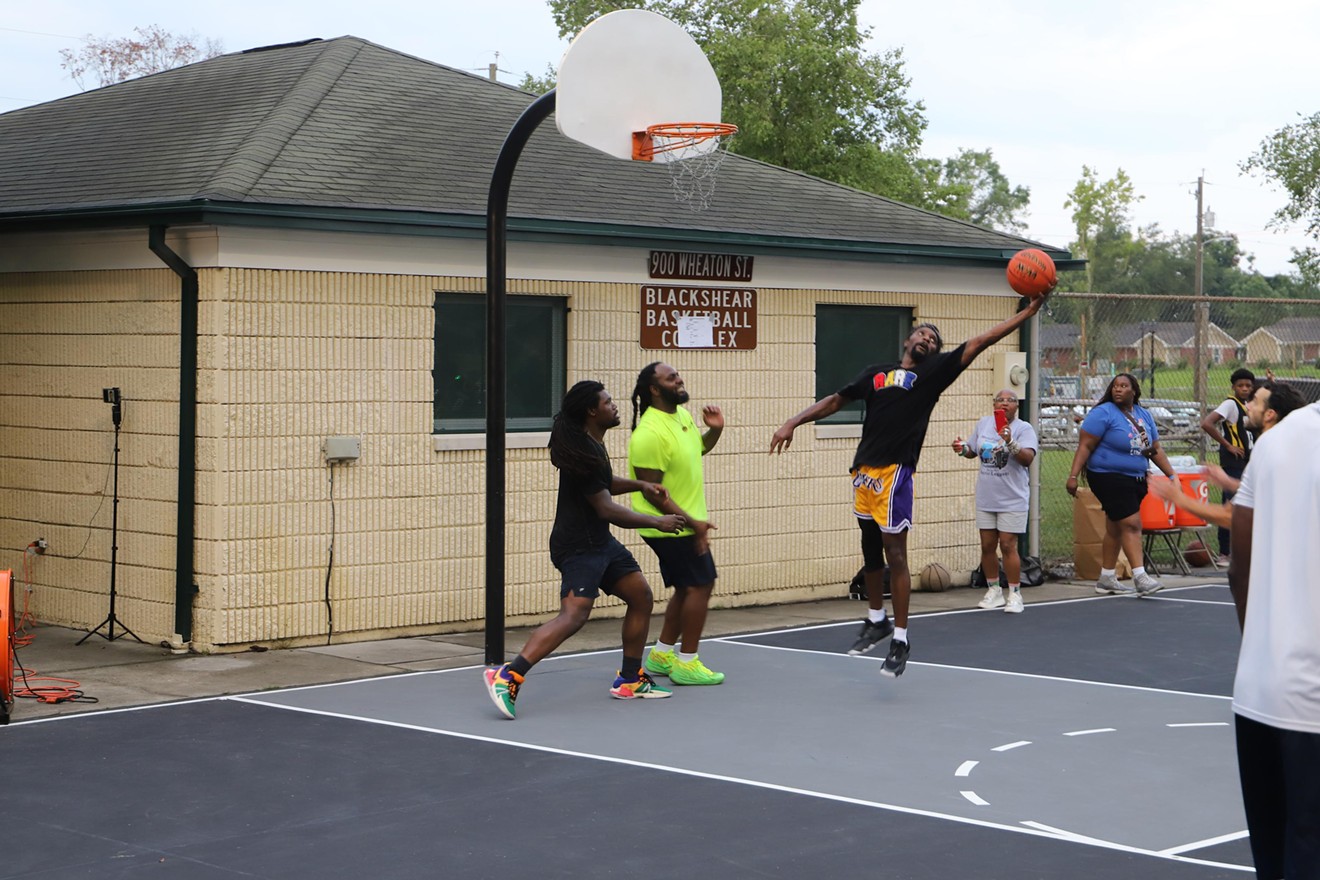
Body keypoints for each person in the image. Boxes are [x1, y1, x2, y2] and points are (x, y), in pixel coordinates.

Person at [770, 294, 1048, 678]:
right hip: (864, 471)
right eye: (921, 333)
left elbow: (979, 342)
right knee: (870, 552)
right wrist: (792, 422)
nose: (927, 340)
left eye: (933, 340)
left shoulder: (933, 373)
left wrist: (1026, 314)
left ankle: (900, 637)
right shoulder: (876, 373)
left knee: (895, 554)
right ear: (907, 340)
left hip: (896, 472)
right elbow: (836, 400)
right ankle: (876, 619)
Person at [483, 380, 687, 720]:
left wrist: (639, 483)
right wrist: (657, 521)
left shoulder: (590, 446)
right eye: (608, 402)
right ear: (593, 411)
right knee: (574, 615)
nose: (614, 405)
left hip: (599, 543)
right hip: (579, 547)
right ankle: (508, 675)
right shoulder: (587, 452)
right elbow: (607, 509)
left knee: (640, 596)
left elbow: (602, 486)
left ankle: (630, 679)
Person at [1228, 399, 1320, 879]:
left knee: (1277, 860)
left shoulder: (1275, 441)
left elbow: (1238, 565)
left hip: (1261, 692)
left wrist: (1262, 648)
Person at [629, 362, 727, 686]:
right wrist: (693, 524)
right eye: (671, 378)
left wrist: (714, 430)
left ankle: (661, 654)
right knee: (701, 584)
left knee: (689, 586)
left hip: (687, 519)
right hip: (668, 522)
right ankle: (687, 662)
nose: (680, 379)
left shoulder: (681, 417)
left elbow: (699, 449)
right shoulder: (649, 433)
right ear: (655, 390)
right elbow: (654, 494)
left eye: (678, 374)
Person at [1065, 373, 1178, 596]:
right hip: (1108, 476)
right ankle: (1140, 577)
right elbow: (1085, 446)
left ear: (1133, 391)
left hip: (1135, 477)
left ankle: (1107, 577)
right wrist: (1073, 475)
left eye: (1124, 386)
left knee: (1115, 527)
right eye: (1115, 386)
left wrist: (1172, 475)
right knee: (1132, 524)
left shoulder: (1143, 415)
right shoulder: (1103, 413)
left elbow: (1154, 450)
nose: (1118, 390)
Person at [1153, 380, 1306, 529]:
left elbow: (1230, 517)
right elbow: (1266, 492)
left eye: (1255, 402)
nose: (1248, 406)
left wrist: (1178, 498)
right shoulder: (1291, 449)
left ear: (1269, 414)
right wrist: (1229, 482)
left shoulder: (1269, 454)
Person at [952, 390, 1038, 614]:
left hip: (1012, 498)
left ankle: (1015, 594)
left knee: (1008, 545)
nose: (1005, 404)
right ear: (994, 405)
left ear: (1016, 407)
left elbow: (1027, 458)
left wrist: (1010, 441)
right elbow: (973, 451)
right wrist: (963, 449)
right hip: (986, 496)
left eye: (1010, 401)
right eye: (1000, 400)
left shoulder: (1023, 429)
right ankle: (994, 590)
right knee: (987, 546)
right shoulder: (984, 424)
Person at [1199, 368, 1256, 563]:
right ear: (1233, 387)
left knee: (1234, 504)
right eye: (1240, 385)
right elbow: (1207, 423)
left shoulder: (1251, 405)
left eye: (1248, 385)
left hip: (1248, 461)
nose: (1245, 388)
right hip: (1233, 461)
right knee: (1235, 505)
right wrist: (1228, 445)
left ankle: (1232, 551)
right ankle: (1226, 552)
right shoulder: (1230, 404)